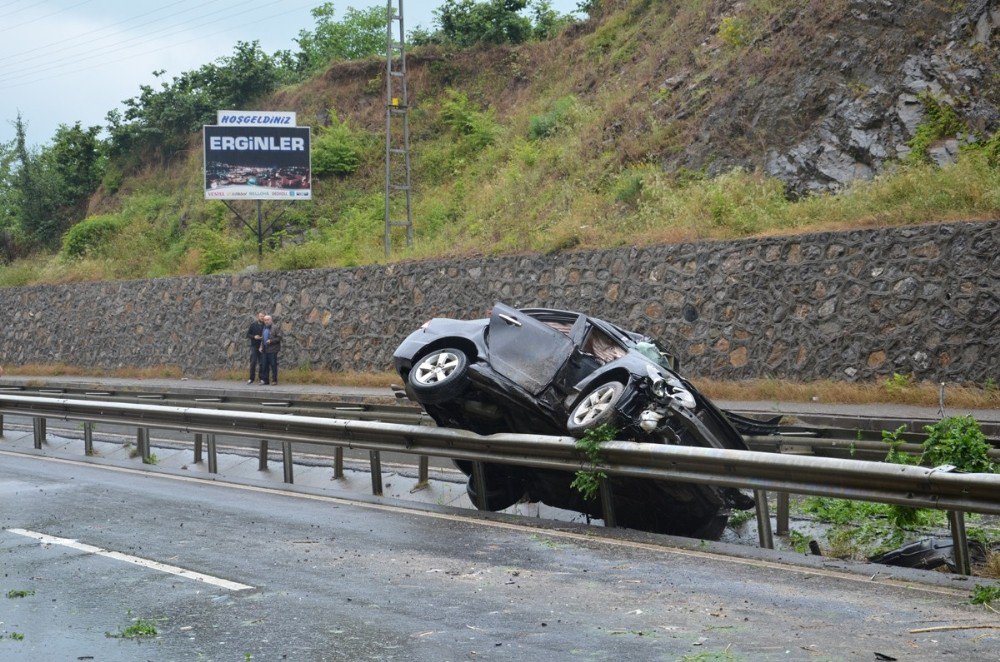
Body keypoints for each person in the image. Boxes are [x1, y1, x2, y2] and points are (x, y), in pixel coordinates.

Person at [260, 315, 282, 385]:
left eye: (268, 320)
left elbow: (279, 338)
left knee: (273, 365)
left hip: (273, 350)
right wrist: (261, 346)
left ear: (271, 320)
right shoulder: (264, 328)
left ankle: (274, 380)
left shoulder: (275, 327)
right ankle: (266, 381)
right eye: (265, 320)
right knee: (264, 365)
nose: (266, 321)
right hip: (265, 350)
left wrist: (271, 341)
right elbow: (263, 339)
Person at [246, 311, 266, 384]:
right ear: (258, 316)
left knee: (262, 363)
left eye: (263, 316)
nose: (262, 317)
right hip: (254, 346)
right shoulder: (253, 325)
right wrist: (254, 336)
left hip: (262, 346)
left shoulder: (266, 325)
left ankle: (261, 379)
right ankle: (251, 378)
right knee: (253, 362)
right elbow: (248, 334)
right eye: (261, 316)